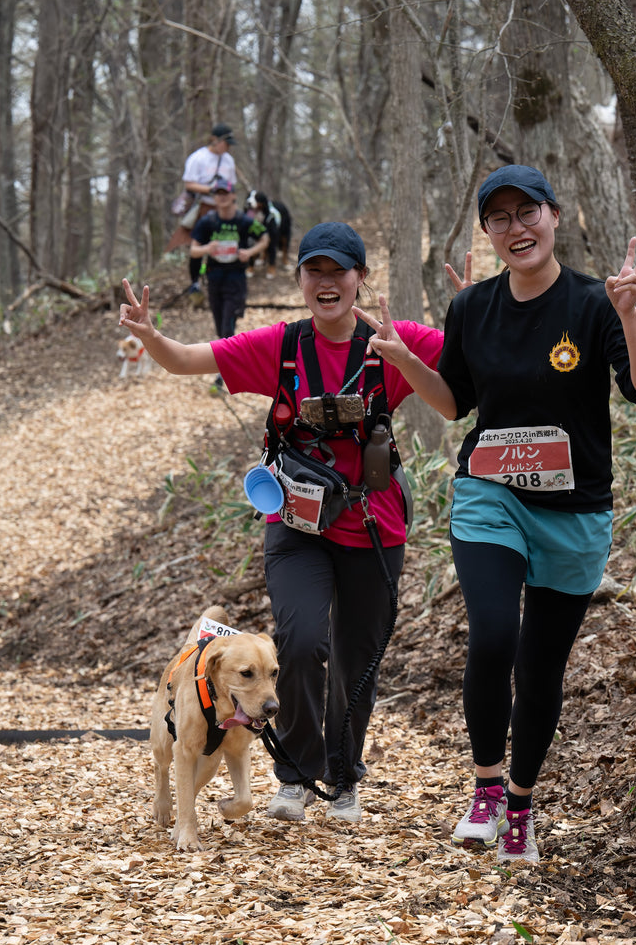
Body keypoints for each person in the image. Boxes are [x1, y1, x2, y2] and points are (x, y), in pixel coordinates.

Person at [357, 165, 636, 865]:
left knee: (539, 669)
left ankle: (523, 803)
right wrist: (406, 359)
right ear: (488, 232)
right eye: (498, 218)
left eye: (526, 211)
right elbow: (453, 404)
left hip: (574, 512)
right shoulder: (472, 309)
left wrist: (628, 313)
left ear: (553, 216)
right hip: (488, 495)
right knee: (493, 634)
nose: (515, 227)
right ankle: (486, 788)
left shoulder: (594, 303)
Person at [119, 221, 444, 825]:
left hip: (374, 526)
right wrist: (151, 335)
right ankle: (295, 774)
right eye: (313, 272)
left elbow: (466, 365)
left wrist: (471, 306)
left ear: (360, 279)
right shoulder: (282, 345)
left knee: (356, 657)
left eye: (338, 272)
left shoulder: (392, 341)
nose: (326, 283)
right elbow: (189, 360)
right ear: (298, 280)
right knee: (298, 643)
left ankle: (344, 777)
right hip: (296, 528)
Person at [190, 179, 269, 383]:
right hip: (215, 279)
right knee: (219, 326)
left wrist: (250, 252)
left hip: (236, 280)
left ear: (233, 195)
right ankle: (229, 360)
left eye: (225, 193)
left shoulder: (244, 221)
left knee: (228, 325)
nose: (222, 197)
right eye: (218, 193)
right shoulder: (208, 222)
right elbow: (193, 250)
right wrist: (208, 248)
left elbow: (265, 238)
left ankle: (223, 371)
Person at [170, 123, 239, 292]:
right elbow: (189, 184)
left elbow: (233, 185)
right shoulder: (198, 158)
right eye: (225, 142)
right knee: (199, 245)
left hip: (224, 209)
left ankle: (220, 281)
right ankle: (195, 282)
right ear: (215, 140)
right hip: (204, 207)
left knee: (224, 244)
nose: (228, 147)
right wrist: (211, 190)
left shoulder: (229, 160)